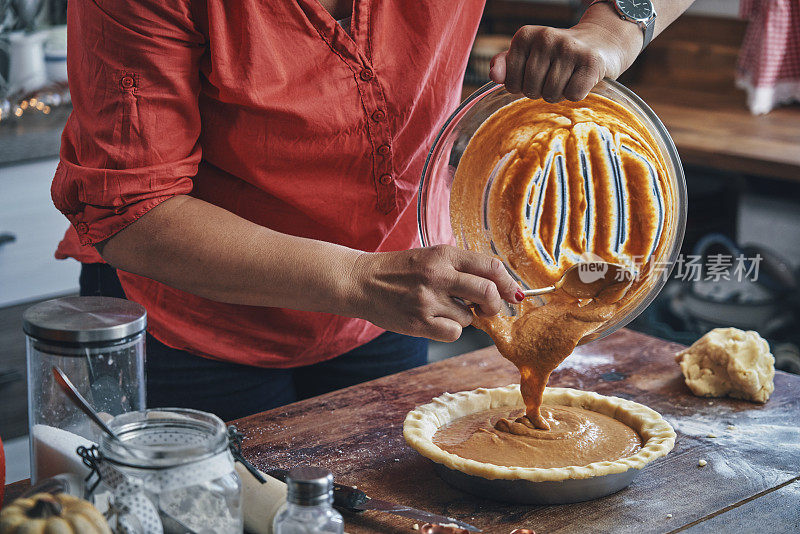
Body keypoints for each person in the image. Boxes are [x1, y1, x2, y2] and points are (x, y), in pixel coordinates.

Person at [52, 0, 694, 421]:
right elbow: (132, 209)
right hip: (192, 332)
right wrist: (362, 280)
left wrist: (611, 33)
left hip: (388, 311)